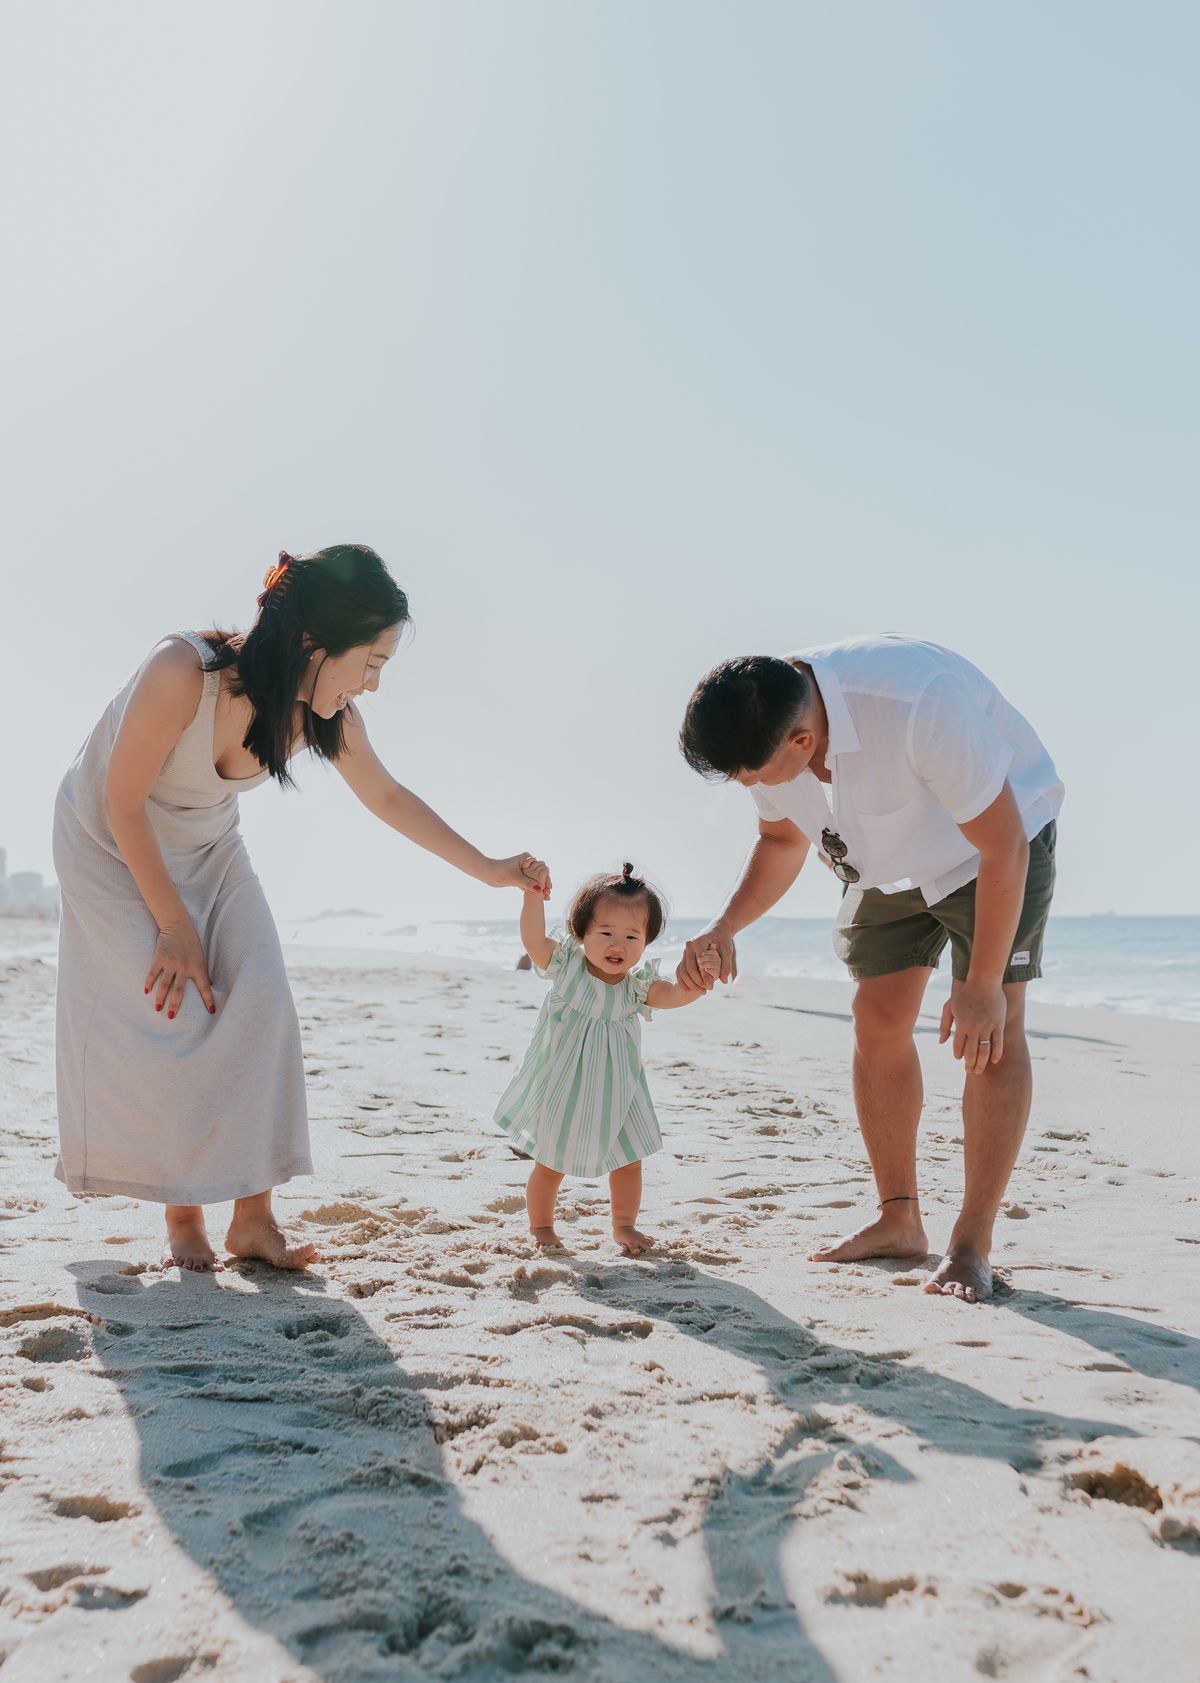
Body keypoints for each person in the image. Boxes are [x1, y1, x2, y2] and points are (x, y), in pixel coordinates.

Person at [54, 545, 547, 1275]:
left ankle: (254, 1219)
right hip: (109, 840)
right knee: (178, 1011)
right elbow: (119, 802)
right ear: (315, 642)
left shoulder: (322, 711)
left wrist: (492, 871)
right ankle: (183, 1211)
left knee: (263, 999)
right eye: (370, 663)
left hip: (210, 843)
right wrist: (172, 925)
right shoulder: (181, 672)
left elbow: (387, 796)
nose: (373, 685)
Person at [676, 636, 1064, 1304]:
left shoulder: (915, 702)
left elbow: (1003, 845)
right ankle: (899, 1219)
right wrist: (723, 926)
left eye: (754, 774)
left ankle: (971, 1244)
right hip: (887, 863)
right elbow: (780, 839)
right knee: (876, 1018)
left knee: (991, 1031)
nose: (752, 787)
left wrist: (977, 988)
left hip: (992, 850)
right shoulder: (769, 715)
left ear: (802, 742)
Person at [494, 864, 722, 1256]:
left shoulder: (638, 988)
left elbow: (673, 996)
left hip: (620, 1091)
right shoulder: (568, 969)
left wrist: (701, 979)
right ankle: (541, 1226)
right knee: (551, 1163)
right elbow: (533, 939)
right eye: (606, 933)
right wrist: (532, 893)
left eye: (632, 936)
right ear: (580, 933)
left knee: (630, 1160)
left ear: (646, 942)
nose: (619, 945)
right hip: (565, 1085)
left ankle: (624, 1225)